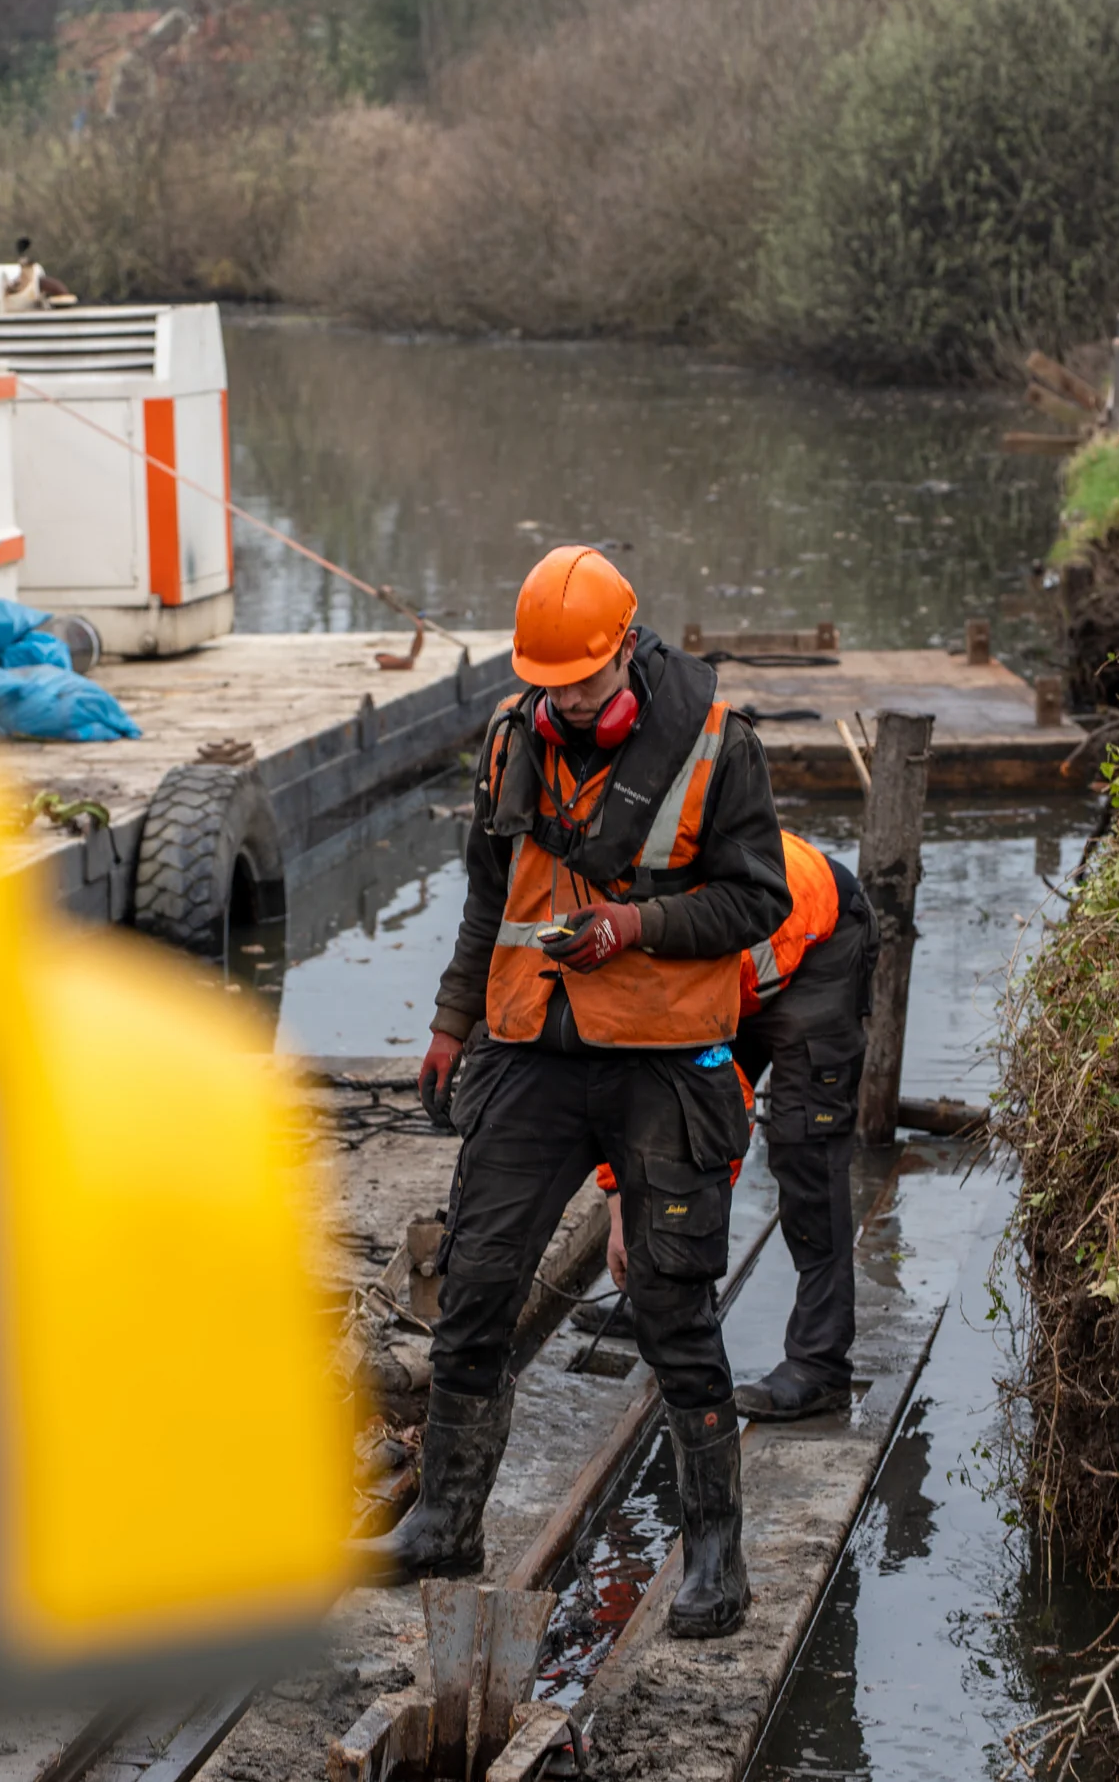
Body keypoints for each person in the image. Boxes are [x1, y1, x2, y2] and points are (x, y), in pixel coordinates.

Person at [367, 544, 789, 1640]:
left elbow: (755, 900)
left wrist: (633, 924)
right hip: (530, 1056)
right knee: (474, 1292)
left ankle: (715, 1562)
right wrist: (452, 1024)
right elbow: (483, 898)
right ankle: (442, 1525)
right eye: (547, 683)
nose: (565, 701)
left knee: (672, 1311)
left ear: (628, 650)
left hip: (661, 1063)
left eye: (584, 684)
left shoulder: (716, 746)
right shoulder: (512, 738)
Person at [721, 830, 875, 1421]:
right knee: (684, 1131)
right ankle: (672, 1296)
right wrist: (617, 1201)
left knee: (805, 1144)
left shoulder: (722, 914)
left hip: (819, 947)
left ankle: (820, 1365)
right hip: (739, 967)